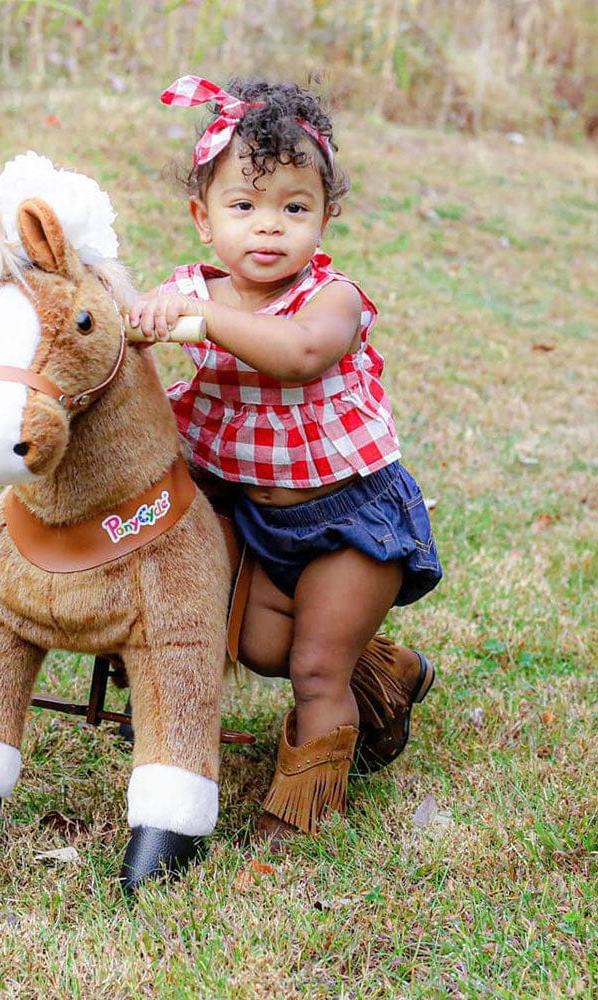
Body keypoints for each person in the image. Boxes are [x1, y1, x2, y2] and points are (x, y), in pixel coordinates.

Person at [129, 75, 442, 843]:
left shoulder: (330, 301)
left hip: (349, 518)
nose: (268, 229)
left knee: (312, 671)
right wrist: (136, 320)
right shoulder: (186, 294)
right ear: (203, 219)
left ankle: (301, 814)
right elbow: (125, 335)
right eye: (244, 206)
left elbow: (299, 358)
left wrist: (202, 320)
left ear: (326, 216)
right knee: (263, 646)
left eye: (294, 208)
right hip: (256, 516)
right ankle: (384, 672)